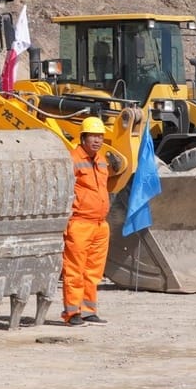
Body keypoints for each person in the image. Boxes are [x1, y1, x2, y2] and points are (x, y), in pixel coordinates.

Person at [61, 116, 112, 326]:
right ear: (83, 137)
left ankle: (89, 310)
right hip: (80, 223)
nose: (97, 140)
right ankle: (73, 313)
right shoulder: (72, 159)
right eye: (93, 135)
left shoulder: (101, 160)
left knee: (93, 271)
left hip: (100, 224)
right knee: (75, 270)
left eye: (100, 136)